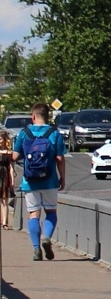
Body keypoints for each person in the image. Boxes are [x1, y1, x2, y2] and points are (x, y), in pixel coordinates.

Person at [10, 103, 68, 261]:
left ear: (33, 116)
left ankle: (36, 249)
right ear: (47, 116)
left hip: (30, 181)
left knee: (33, 214)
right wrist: (62, 177)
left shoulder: (24, 133)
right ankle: (46, 237)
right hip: (50, 181)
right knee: (51, 212)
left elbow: (15, 157)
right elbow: (60, 158)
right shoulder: (54, 133)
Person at [0, 129, 12, 230]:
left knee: (4, 200)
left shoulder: (8, 153)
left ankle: (4, 222)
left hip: (4, 175)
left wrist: (11, 182)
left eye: (0, 139)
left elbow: (11, 168)